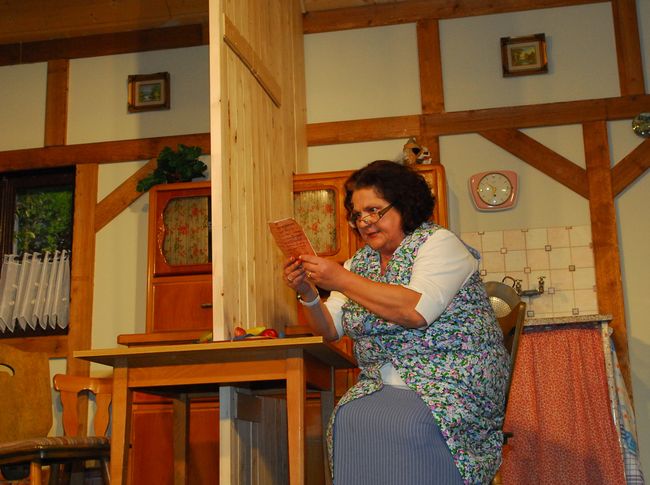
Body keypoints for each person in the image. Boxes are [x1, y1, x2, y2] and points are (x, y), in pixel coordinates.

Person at [283, 160, 509, 484]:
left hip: (452, 378)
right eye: (358, 215)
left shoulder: (438, 243)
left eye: (374, 210)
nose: (365, 222)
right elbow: (329, 329)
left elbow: (415, 311)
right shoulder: (360, 262)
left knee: (407, 423)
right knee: (346, 417)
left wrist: (340, 279)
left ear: (403, 204)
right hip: (383, 381)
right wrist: (307, 292)